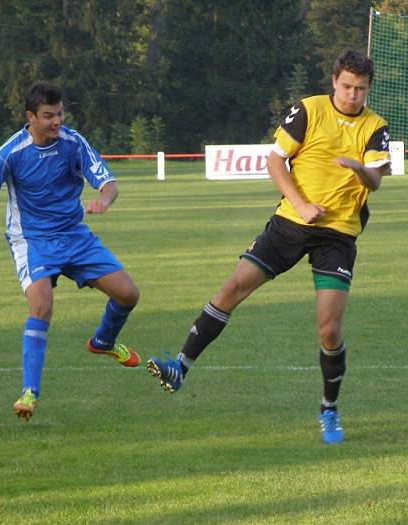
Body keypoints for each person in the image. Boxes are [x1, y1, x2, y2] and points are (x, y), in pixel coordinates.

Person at [147, 49, 390, 444]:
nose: (352, 95)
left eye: (360, 89)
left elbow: (376, 181)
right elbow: (276, 161)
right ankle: (180, 366)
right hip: (290, 224)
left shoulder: (375, 127)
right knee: (232, 288)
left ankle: (329, 410)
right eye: (346, 86)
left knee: (329, 330)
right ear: (334, 82)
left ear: (368, 89)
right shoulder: (308, 111)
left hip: (338, 235)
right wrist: (300, 204)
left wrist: (359, 167)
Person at [0, 81, 141, 422]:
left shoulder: (74, 143)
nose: (56, 121)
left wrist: (104, 200)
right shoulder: (11, 152)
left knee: (128, 294)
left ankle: (103, 342)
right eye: (48, 116)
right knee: (41, 305)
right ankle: (30, 392)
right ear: (30, 117)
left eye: (60, 113)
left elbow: (108, 183)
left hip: (75, 236)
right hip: (32, 240)